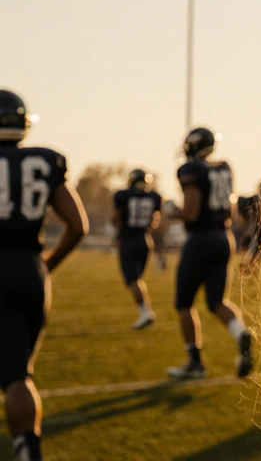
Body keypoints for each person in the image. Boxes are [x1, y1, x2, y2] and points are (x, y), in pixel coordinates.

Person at [0, 90, 89, 461]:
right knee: (19, 368)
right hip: (30, 272)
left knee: (14, 375)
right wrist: (46, 264)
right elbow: (78, 224)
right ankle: (28, 447)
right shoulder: (44, 161)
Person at [165, 127, 253, 380]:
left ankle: (195, 363)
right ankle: (239, 333)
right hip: (224, 238)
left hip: (200, 239)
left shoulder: (191, 170)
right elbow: (233, 209)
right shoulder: (224, 167)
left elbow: (191, 212)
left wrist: (173, 211)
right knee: (216, 302)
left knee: (184, 303)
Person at [111, 169, 163, 329]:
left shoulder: (123, 196)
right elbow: (155, 220)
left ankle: (145, 312)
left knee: (133, 280)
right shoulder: (153, 197)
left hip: (129, 240)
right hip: (145, 240)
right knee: (137, 279)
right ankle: (144, 311)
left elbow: (116, 218)